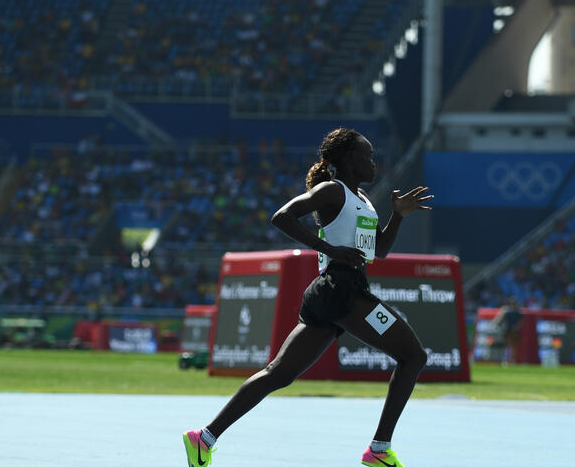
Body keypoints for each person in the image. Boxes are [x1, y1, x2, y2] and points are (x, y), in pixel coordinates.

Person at [182, 127, 433, 467]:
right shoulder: (332, 191)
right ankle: (378, 450)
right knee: (413, 356)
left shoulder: (365, 203)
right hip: (340, 289)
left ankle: (204, 438)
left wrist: (398, 216)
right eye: (367, 155)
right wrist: (329, 249)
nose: (374, 162)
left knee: (279, 374)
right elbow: (282, 217)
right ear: (348, 159)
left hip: (338, 293)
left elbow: (380, 251)